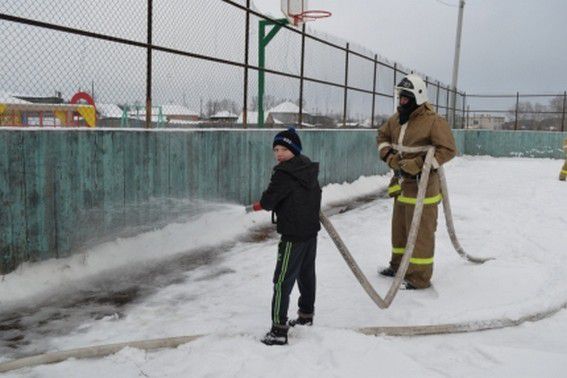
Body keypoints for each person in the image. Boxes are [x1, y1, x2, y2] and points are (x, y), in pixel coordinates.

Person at [376, 74, 457, 289]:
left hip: (424, 186)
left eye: (406, 98)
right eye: (400, 97)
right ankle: (398, 266)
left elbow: (447, 150)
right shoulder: (395, 120)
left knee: (420, 232)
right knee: (400, 228)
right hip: (402, 184)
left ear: (417, 98)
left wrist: (420, 164)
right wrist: (389, 157)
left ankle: (418, 277)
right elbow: (381, 137)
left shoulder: (433, 121)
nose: (401, 102)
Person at [246, 127, 322, 345]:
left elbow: (269, 201)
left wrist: (259, 204)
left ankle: (278, 330)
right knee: (306, 274)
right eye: (276, 150)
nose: (278, 154)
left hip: (293, 235)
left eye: (283, 149)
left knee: (281, 281)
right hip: (310, 232)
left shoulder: (283, 173)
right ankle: (306, 315)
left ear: (293, 149)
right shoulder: (306, 167)